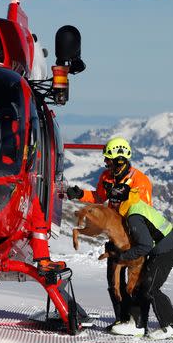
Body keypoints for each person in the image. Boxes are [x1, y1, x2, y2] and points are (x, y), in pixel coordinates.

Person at [66, 137, 152, 330]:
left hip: (134, 238)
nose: (106, 163)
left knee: (134, 280)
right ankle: (121, 319)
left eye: (109, 159)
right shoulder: (107, 177)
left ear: (120, 160)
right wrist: (80, 194)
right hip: (114, 235)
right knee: (113, 279)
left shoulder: (140, 180)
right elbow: (98, 196)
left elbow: (145, 209)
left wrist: (127, 195)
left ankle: (137, 322)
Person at [106, 183, 173, 340]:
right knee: (139, 283)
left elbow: (145, 245)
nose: (111, 204)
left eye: (114, 201)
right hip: (161, 249)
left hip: (167, 251)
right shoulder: (133, 204)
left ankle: (172, 325)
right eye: (111, 200)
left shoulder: (134, 216)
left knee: (150, 287)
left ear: (122, 201)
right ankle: (138, 325)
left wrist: (123, 257)